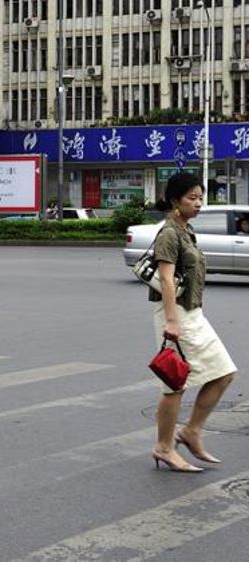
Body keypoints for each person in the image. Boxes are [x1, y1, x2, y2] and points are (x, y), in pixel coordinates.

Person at [150, 172, 237, 473]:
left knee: (224, 372)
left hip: (193, 313)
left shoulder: (186, 230)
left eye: (201, 198)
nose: (199, 203)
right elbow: (165, 278)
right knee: (175, 384)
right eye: (192, 198)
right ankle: (163, 447)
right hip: (177, 315)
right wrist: (172, 321)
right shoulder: (169, 233)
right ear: (175, 200)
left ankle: (191, 432)